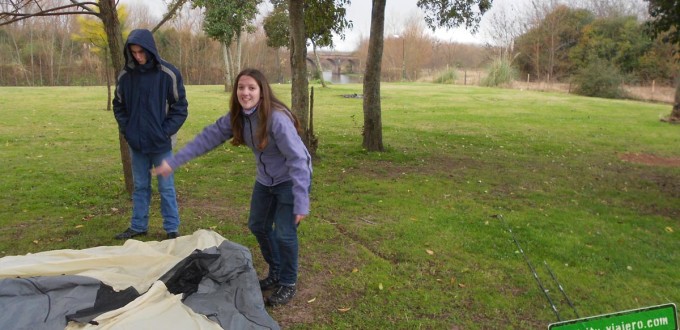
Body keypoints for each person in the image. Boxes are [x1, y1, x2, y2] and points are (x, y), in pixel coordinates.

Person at [154, 68, 312, 306]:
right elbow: (207, 138)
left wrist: (301, 199)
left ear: (262, 91)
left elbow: (298, 160)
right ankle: (276, 271)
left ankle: (288, 282)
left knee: (284, 233)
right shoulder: (238, 117)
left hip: (290, 180)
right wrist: (174, 162)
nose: (245, 93)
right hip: (265, 180)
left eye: (251, 88)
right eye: (241, 87)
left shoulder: (277, 119)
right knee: (257, 225)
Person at [112, 29, 188, 240]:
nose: (138, 56)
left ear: (150, 49)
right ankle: (138, 226)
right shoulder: (125, 76)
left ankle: (172, 229)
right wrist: (128, 130)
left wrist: (164, 132)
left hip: (161, 144)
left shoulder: (168, 73)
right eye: (134, 52)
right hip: (136, 144)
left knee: (166, 187)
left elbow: (180, 107)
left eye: (141, 52)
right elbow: (118, 105)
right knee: (141, 186)